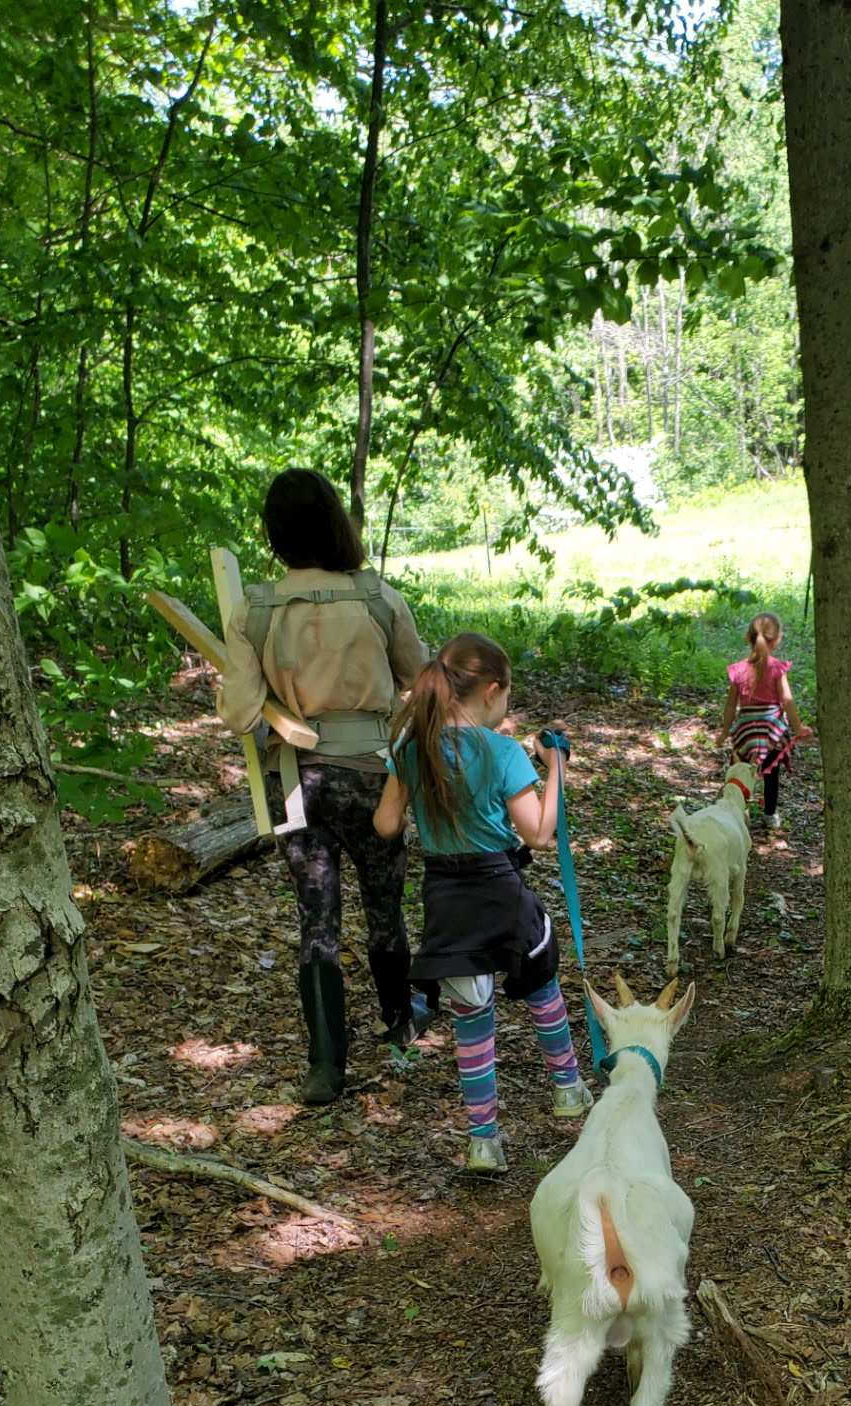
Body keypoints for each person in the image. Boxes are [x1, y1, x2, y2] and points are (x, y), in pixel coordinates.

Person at [217, 467, 431, 1106]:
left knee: (318, 919)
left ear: (275, 533)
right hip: (371, 776)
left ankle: (325, 1066)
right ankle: (401, 1020)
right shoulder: (376, 598)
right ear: (336, 521)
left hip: (298, 784)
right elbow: (422, 679)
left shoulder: (253, 610)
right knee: (385, 903)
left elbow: (239, 714)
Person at [373, 633, 592, 1175]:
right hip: (500, 890)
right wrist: (554, 765)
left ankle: (482, 1142)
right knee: (541, 979)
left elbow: (384, 824)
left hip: (445, 900)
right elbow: (539, 833)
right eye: (507, 695)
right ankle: (567, 1088)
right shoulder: (501, 753)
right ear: (492, 690)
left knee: (472, 1021)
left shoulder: (412, 747)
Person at [713, 613, 813, 830]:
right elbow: (787, 700)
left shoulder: (739, 670)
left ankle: (737, 810)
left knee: (741, 771)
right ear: (776, 641)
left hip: (746, 732)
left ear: (747, 637)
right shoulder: (777, 669)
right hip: (771, 732)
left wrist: (725, 731)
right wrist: (798, 727)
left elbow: (731, 705)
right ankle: (770, 814)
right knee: (770, 775)